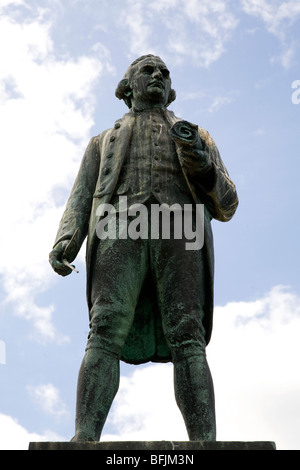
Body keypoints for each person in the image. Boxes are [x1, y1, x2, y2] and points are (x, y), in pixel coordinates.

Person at [49, 54, 238, 442]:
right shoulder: (102, 141)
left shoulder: (197, 136)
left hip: (181, 227)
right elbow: (81, 197)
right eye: (147, 70)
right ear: (127, 86)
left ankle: (204, 440)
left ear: (171, 90)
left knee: (189, 334)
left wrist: (201, 163)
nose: (158, 76)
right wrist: (66, 241)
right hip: (117, 226)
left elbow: (228, 203)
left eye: (164, 73)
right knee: (104, 329)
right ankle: (84, 436)